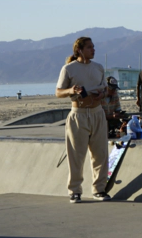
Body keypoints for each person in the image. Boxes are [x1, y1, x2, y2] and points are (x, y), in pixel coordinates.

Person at [55, 37, 111, 203]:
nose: (93, 50)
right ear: (79, 50)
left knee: (100, 154)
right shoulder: (68, 69)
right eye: (89, 47)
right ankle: (74, 191)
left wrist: (102, 94)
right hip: (78, 114)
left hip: (97, 113)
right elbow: (58, 92)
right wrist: (71, 90)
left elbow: (105, 88)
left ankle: (99, 189)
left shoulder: (98, 67)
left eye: (93, 47)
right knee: (76, 156)